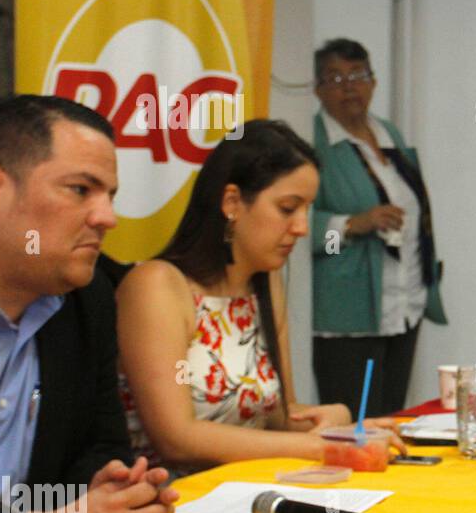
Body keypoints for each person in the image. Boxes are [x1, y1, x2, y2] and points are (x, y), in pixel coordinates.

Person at [116, 120, 391, 475]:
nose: (303, 228)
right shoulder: (157, 286)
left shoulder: (263, 285)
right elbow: (177, 437)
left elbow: (275, 422)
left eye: (307, 210)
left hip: (248, 492)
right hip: (170, 503)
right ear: (232, 202)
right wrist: (315, 445)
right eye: (288, 208)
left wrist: (337, 423)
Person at [0, 94, 176, 513]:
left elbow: (100, 445)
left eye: (110, 195)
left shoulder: (85, 300)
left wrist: (114, 493)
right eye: (79, 190)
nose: (107, 218)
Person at [309, 39, 446, 417]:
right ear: (317, 88)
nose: (349, 86)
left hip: (403, 305)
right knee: (355, 424)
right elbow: (302, 227)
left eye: (358, 75)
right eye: (336, 77)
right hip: (347, 316)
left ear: (373, 82)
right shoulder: (312, 143)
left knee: (391, 421)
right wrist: (352, 225)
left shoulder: (388, 135)